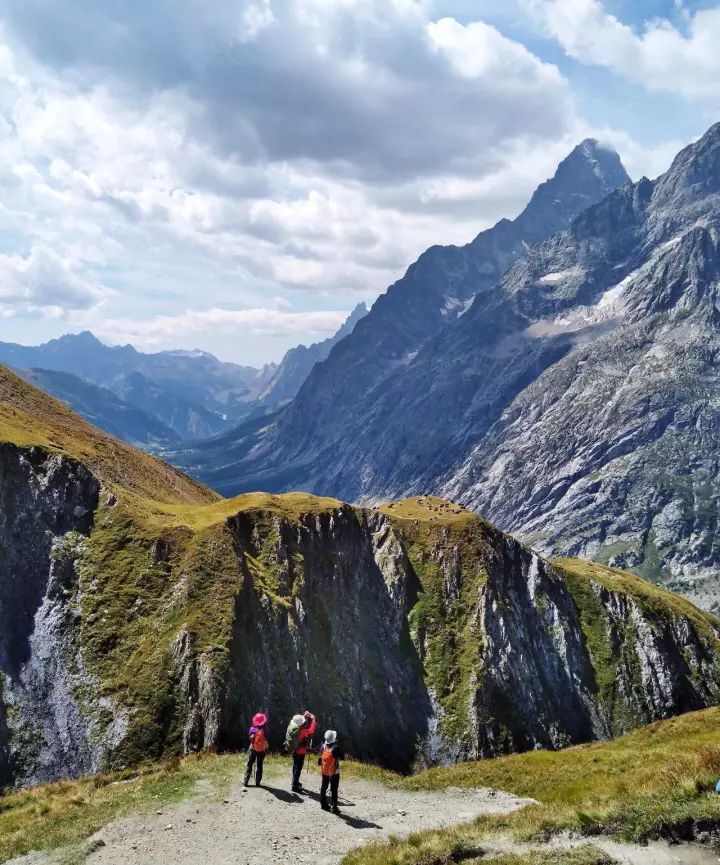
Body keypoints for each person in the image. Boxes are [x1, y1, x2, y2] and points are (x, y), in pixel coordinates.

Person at [285, 710, 317, 792]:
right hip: (301, 751)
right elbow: (311, 730)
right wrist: (313, 720)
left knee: (295, 765)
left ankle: (294, 781)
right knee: (298, 768)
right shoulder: (302, 731)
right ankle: (294, 785)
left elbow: (298, 722)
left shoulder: (292, 726)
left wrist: (304, 716)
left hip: (294, 749)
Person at [318, 729, 345, 814]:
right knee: (334, 789)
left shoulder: (323, 746)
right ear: (334, 739)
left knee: (324, 787)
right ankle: (334, 807)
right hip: (334, 772)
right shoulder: (336, 748)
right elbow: (342, 757)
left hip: (324, 771)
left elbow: (319, 760)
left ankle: (323, 804)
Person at [243, 712, 268, 788]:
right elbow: (266, 737)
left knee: (249, 764)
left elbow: (250, 737)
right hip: (261, 750)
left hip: (253, 748)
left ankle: (246, 781)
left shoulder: (252, 729)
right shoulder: (265, 729)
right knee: (259, 765)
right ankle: (258, 782)